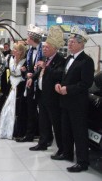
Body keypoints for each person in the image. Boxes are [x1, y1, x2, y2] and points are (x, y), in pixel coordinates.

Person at [52, 26, 94, 173]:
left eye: (72, 42)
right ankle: (67, 153)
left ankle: (82, 162)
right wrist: (59, 85)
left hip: (77, 103)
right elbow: (65, 78)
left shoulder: (86, 61)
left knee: (79, 133)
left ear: (81, 44)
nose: (69, 44)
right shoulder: (69, 58)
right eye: (68, 42)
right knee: (66, 130)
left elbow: (85, 83)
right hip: (65, 102)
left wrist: (68, 89)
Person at [29, 26, 65, 153]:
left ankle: (62, 148)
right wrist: (31, 78)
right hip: (42, 95)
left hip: (53, 97)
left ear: (54, 49)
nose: (44, 49)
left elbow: (59, 74)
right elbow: (39, 71)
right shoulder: (45, 58)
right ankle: (42, 143)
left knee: (56, 123)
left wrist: (46, 67)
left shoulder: (60, 60)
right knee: (43, 121)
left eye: (47, 47)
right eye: (43, 47)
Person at [16, 24, 45, 142]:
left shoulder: (43, 50)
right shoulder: (29, 51)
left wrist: (32, 76)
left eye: (28, 37)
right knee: (30, 111)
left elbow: (41, 67)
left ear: (33, 39)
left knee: (43, 113)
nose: (26, 39)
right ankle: (29, 135)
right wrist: (27, 73)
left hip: (40, 86)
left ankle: (45, 137)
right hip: (30, 85)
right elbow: (27, 67)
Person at [0, 42, 27, 139]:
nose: (13, 50)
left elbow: (28, 75)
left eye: (15, 49)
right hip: (10, 84)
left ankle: (17, 132)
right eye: (13, 49)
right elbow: (3, 67)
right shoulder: (9, 58)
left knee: (18, 108)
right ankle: (3, 130)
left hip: (20, 85)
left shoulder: (25, 61)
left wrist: (24, 72)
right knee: (4, 106)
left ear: (20, 52)